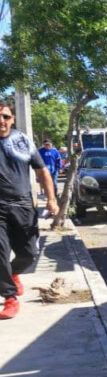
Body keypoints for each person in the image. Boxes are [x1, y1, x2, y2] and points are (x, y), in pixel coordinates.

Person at [0, 101, 60, 320]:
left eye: (6, 117)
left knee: (29, 253)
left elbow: (42, 171)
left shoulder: (22, 141)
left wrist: (51, 199)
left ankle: (14, 274)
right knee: (0, 254)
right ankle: (10, 297)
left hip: (23, 204)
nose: (2, 121)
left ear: (12, 119)